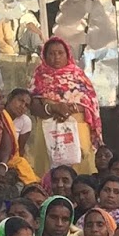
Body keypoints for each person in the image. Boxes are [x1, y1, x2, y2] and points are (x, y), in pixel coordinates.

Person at [29, 37, 102, 176]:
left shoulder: (78, 76)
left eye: (60, 53)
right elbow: (33, 106)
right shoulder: (39, 76)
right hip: (48, 129)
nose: (56, 57)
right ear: (45, 55)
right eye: (51, 53)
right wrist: (53, 109)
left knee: (80, 170)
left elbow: (91, 103)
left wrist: (67, 110)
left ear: (67, 54)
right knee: (48, 171)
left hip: (77, 129)